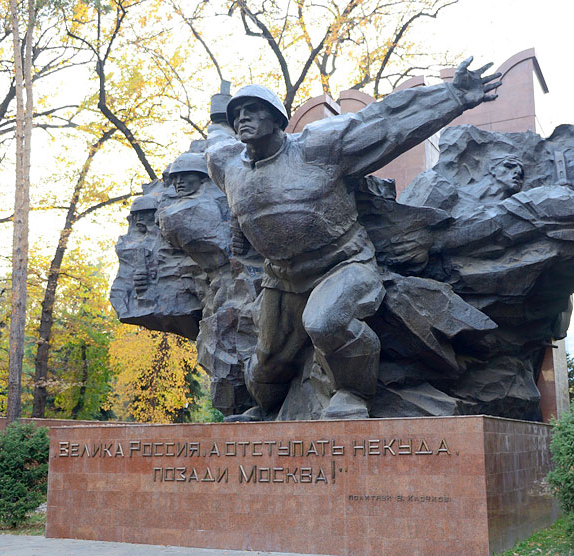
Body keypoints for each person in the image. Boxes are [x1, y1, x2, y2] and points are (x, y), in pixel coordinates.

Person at [206, 58, 502, 420]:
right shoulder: (226, 164)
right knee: (267, 361)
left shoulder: (319, 148)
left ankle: (353, 393)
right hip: (282, 278)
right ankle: (268, 412)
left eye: (253, 111)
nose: (242, 119)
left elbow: (386, 123)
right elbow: (217, 138)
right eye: (237, 114)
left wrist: (454, 95)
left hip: (343, 264)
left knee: (326, 321)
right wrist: (217, 119)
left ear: (277, 119)